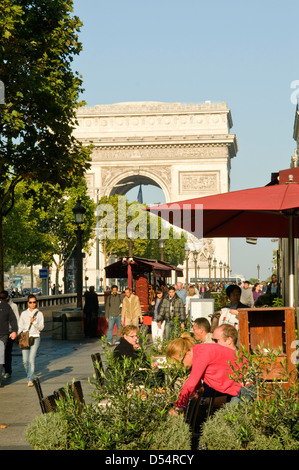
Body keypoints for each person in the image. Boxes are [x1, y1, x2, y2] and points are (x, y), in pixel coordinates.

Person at [166, 333, 248, 414]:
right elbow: (195, 387)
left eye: (180, 363)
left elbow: (190, 384)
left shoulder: (201, 354)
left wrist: (178, 407)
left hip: (247, 385)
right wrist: (183, 406)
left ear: (187, 354)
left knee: (231, 415)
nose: (180, 367)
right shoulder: (198, 352)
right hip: (240, 387)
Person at [18, 295, 44, 387]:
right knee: (25, 361)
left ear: (36, 303)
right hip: (25, 338)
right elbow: (20, 326)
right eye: (30, 302)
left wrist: (34, 322)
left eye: (34, 302)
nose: (32, 304)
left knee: (31, 359)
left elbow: (41, 327)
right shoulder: (24, 313)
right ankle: (31, 375)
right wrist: (17, 334)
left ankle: (29, 379)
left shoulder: (39, 314)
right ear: (27, 303)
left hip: (35, 337)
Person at [0, 290, 19, 379]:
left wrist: (15, 331)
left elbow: (15, 319)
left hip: (9, 332)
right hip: (4, 331)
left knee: (7, 353)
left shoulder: (13, 306)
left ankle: (7, 370)